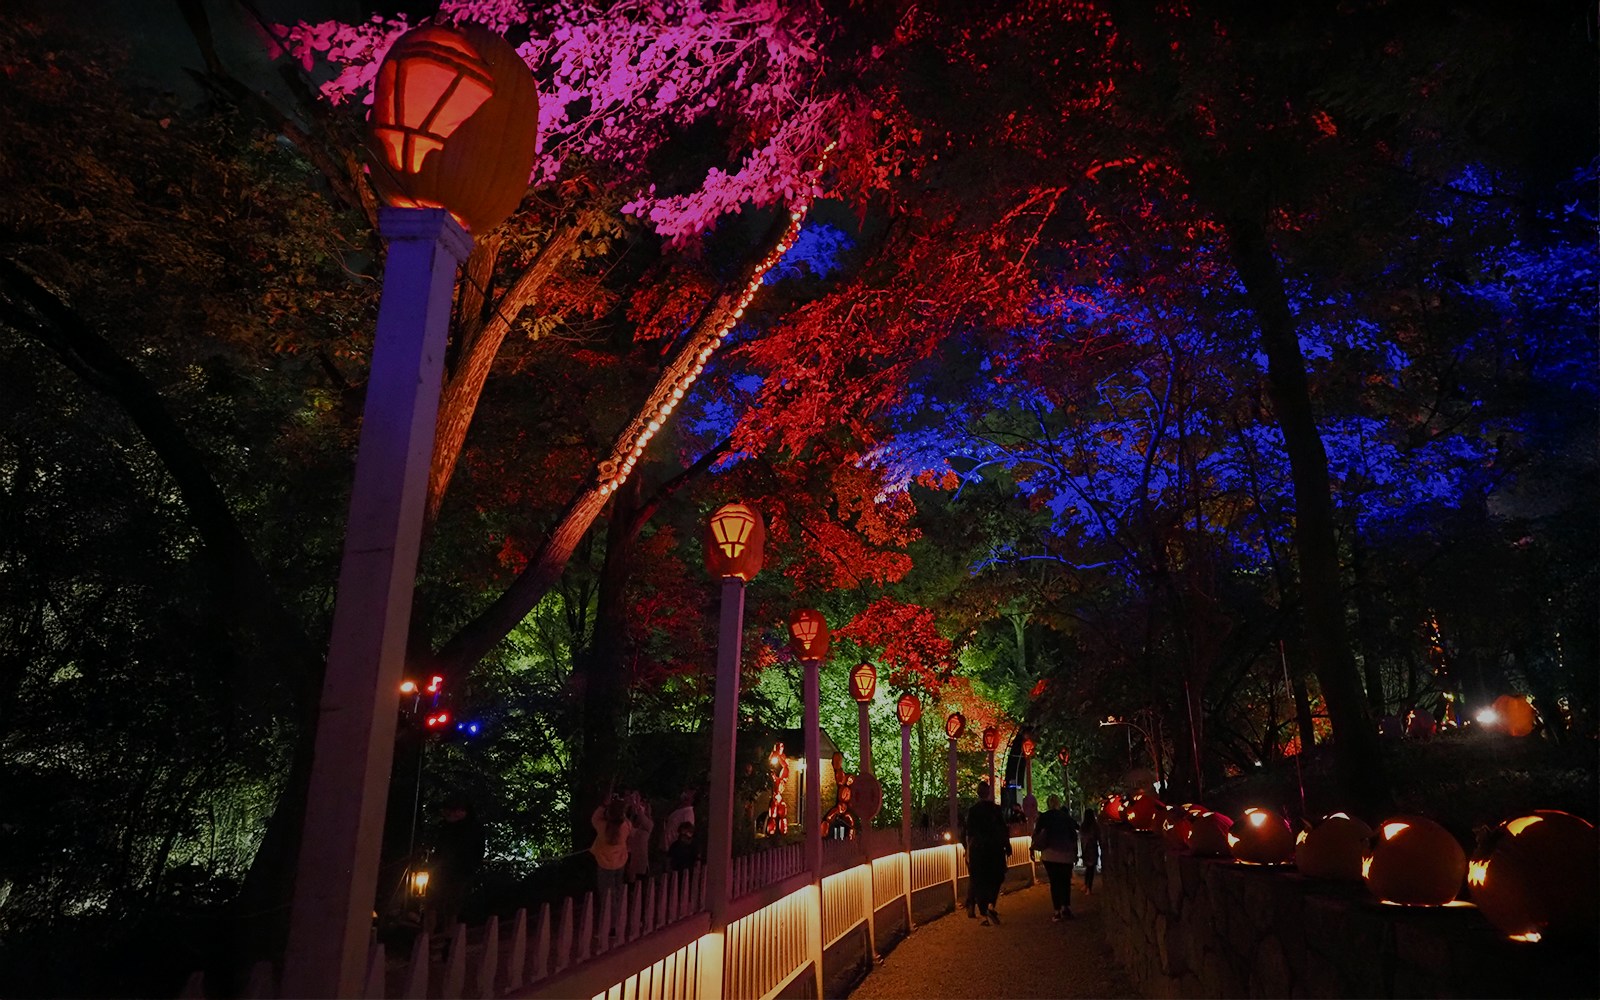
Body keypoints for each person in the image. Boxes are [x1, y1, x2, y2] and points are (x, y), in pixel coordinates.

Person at [428, 794, 485, 937]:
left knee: (450, 909)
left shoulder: (472, 829)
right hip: (441, 872)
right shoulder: (446, 827)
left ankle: (447, 939)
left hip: (458, 874)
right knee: (432, 905)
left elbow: (476, 853)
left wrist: (468, 869)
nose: (447, 813)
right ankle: (429, 936)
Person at [963, 780, 1010, 925]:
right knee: (996, 878)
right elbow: (1003, 829)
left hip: (978, 849)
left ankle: (983, 914)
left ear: (978, 793)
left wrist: (968, 849)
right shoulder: (996, 810)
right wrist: (1007, 845)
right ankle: (991, 904)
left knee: (980, 880)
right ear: (989, 792)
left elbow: (968, 832)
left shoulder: (973, 811)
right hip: (995, 849)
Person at [1033, 794, 1079, 920]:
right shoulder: (1065, 817)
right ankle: (1066, 907)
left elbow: (1036, 833)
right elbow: (1074, 832)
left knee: (1054, 882)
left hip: (1049, 854)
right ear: (1058, 803)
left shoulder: (1044, 817)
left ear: (1048, 803)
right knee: (1065, 881)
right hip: (1066, 854)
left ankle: (1057, 910)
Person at [590, 797, 632, 897]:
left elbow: (594, 818)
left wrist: (603, 805)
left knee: (606, 893)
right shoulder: (626, 826)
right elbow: (624, 820)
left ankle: (608, 910)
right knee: (618, 888)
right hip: (620, 862)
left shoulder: (602, 826)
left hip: (604, 863)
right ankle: (618, 908)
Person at [624, 791, 654, 883]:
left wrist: (636, 806)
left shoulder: (648, 824)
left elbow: (643, 819)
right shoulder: (628, 821)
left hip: (640, 861)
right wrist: (627, 804)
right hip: (626, 857)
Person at [1080, 808, 1101, 894]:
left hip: (1085, 848)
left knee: (1088, 868)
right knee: (1091, 869)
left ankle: (1086, 884)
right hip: (1092, 848)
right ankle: (1089, 887)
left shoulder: (1083, 826)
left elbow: (1081, 838)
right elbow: (1098, 836)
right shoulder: (1095, 826)